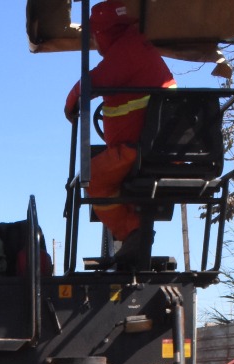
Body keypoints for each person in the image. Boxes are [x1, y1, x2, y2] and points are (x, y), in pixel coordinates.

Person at [63, 2, 175, 262]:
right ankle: (134, 239)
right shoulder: (139, 47)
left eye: (95, 34)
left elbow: (91, 84)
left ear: (105, 31)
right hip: (156, 151)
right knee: (109, 178)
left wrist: (70, 106)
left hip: (139, 153)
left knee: (93, 179)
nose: (95, 41)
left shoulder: (128, 50)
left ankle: (134, 232)